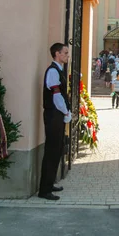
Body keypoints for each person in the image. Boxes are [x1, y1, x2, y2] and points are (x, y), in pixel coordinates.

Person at [39, 42, 72, 201]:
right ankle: (44, 190)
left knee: (57, 149)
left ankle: (49, 183)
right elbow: (56, 95)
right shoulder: (53, 71)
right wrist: (66, 111)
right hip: (54, 114)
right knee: (52, 150)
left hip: (57, 114)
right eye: (65, 53)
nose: (67, 55)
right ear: (57, 54)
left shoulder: (58, 70)